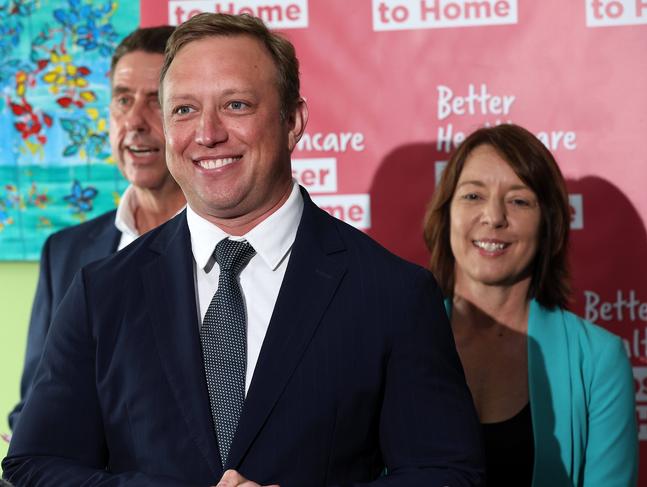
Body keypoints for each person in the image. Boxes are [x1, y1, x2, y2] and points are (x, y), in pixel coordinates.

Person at [2, 13, 484, 487]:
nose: (207, 134)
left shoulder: (392, 293)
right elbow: (36, 463)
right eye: (184, 110)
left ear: (293, 121)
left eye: (235, 105)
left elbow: (448, 473)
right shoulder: (100, 292)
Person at [423, 123, 637, 486]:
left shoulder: (599, 360)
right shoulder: (396, 343)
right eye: (473, 196)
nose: (493, 217)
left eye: (519, 200)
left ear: (548, 224)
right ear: (446, 214)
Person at [7, 25, 186, 431]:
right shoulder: (65, 251)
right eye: (123, 100)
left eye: (157, 101)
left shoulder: (232, 246)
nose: (135, 121)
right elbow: (36, 403)